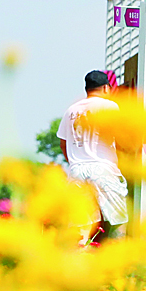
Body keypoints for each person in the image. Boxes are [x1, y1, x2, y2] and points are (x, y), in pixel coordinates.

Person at [58, 70, 128, 244]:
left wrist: (76, 162)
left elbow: (63, 144)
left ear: (87, 89)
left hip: (77, 171)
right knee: (118, 220)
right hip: (103, 168)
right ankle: (119, 264)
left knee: (80, 226)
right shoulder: (109, 107)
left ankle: (77, 264)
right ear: (106, 88)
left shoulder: (71, 111)